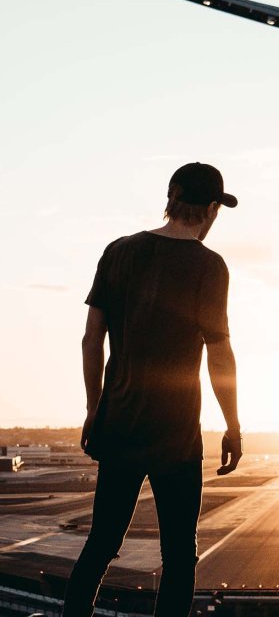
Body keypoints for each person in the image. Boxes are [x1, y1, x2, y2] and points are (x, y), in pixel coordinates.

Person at [62, 163, 243, 617]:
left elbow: (91, 339)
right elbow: (219, 354)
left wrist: (93, 410)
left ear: (171, 198)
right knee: (179, 556)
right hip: (177, 436)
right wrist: (233, 426)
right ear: (208, 210)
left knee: (101, 545)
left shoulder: (118, 252)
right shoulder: (210, 266)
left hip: (119, 425)